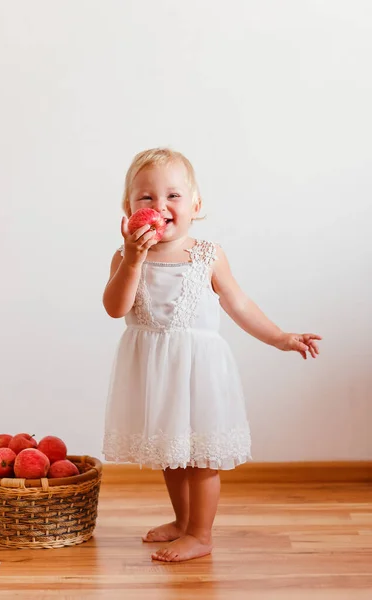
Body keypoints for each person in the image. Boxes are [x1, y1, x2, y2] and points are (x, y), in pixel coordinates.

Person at [102, 147, 322, 562]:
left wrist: (279, 337)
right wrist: (132, 260)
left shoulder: (208, 255)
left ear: (196, 205)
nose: (159, 206)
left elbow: (239, 304)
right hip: (155, 372)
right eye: (145, 198)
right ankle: (183, 522)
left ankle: (201, 534)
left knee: (200, 457)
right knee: (171, 453)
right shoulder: (126, 256)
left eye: (173, 196)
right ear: (128, 208)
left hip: (197, 371)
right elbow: (116, 308)